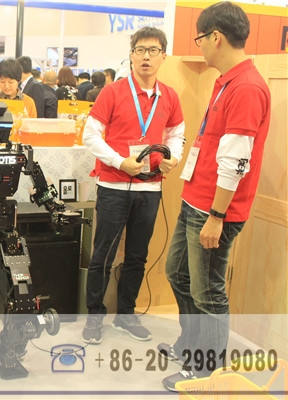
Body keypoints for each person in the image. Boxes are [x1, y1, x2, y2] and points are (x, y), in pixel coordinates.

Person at [160, 2, 271, 391]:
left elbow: (236, 160)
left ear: (216, 37)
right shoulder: (227, 80)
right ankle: (191, 346)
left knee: (208, 292)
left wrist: (217, 215)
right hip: (197, 199)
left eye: (200, 39)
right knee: (178, 274)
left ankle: (206, 371)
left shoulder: (247, 87)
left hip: (214, 210)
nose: (201, 46)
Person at [81, 27, 185, 345]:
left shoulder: (169, 96)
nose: (146, 57)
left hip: (150, 188)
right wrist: (118, 161)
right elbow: (90, 135)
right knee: (103, 253)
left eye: (153, 51)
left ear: (163, 56)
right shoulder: (112, 92)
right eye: (140, 50)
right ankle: (94, 316)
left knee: (138, 256)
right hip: (113, 185)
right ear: (131, 55)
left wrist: (173, 157)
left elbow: (176, 134)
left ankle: (126, 314)